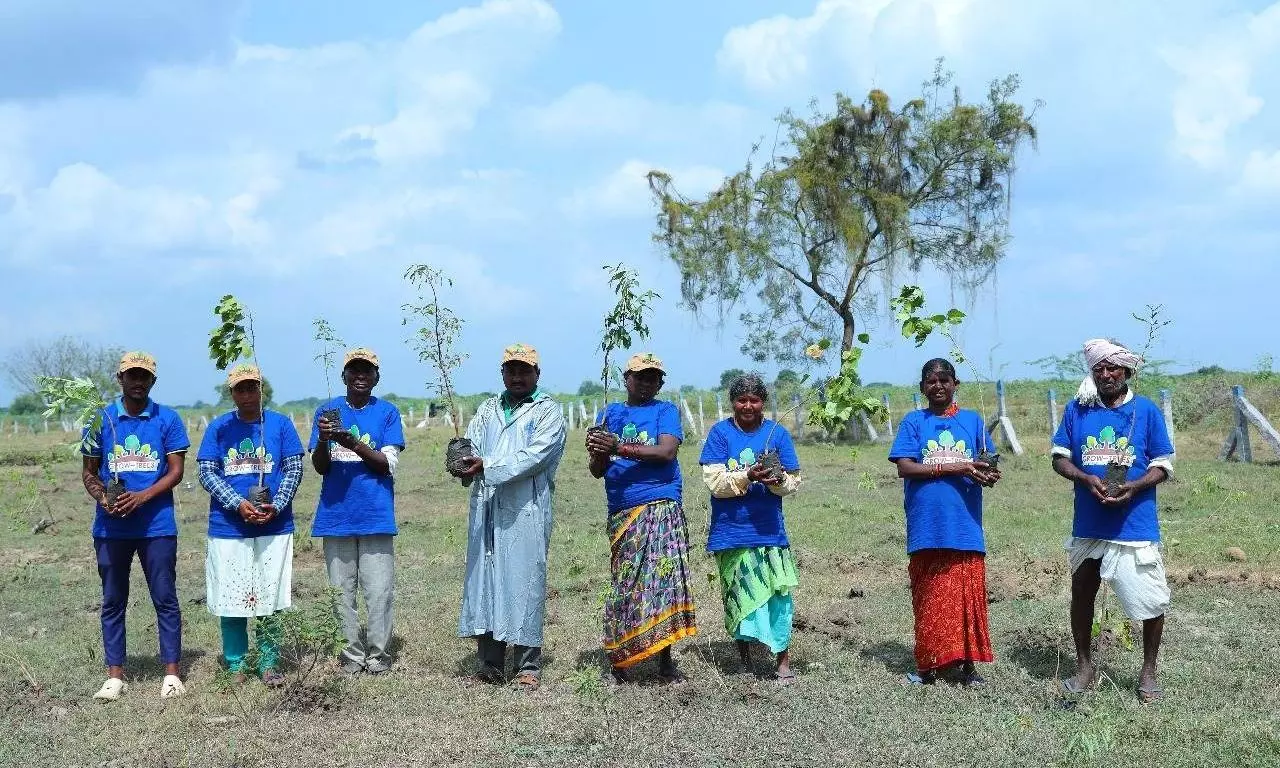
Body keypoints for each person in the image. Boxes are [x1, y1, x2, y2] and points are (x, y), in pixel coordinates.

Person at [1052, 339, 1174, 703]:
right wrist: (1085, 478)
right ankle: (1085, 666)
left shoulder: (1146, 411)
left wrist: (1134, 486)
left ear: (1127, 371)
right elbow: (1059, 458)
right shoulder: (1078, 410)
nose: (1106, 374)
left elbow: (1163, 465)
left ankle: (1148, 671)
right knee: (1082, 594)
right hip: (1089, 522)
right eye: (1099, 369)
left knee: (1151, 600)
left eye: (1112, 367)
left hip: (1133, 524)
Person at [454, 343, 567, 690]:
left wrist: (486, 465)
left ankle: (527, 665)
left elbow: (535, 456)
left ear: (537, 373)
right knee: (486, 579)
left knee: (524, 580)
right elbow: (472, 447)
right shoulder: (488, 409)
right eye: (511, 370)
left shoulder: (548, 411)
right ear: (502, 373)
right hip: (487, 504)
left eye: (524, 370)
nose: (517, 376)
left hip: (525, 509)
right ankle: (489, 662)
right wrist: (462, 460)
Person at [82, 351, 190, 701]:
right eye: (132, 375)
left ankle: (172, 674)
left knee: (165, 597)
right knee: (113, 599)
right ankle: (115, 676)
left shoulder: (167, 419)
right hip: (111, 529)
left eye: (145, 376)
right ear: (121, 379)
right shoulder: (100, 419)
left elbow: (175, 471)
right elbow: (88, 471)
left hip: (157, 526)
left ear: (153, 382)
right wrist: (103, 498)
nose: (138, 381)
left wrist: (142, 497)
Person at [586, 353, 697, 684]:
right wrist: (599, 451)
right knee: (627, 585)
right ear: (626, 378)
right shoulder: (610, 414)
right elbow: (596, 471)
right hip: (623, 509)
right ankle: (619, 662)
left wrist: (618, 446)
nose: (646, 383)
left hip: (661, 504)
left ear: (660, 383)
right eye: (640, 376)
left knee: (664, 583)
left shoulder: (666, 411)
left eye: (653, 378)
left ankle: (665, 660)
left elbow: (666, 452)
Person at [887, 359, 1000, 686]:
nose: (938, 386)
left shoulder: (972, 422)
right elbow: (905, 468)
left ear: (955, 384)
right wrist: (957, 467)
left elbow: (984, 466)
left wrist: (988, 474)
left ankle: (966, 666)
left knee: (966, 596)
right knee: (930, 594)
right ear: (922, 387)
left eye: (944, 380)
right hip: (927, 523)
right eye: (931, 381)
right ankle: (928, 667)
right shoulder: (913, 422)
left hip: (964, 523)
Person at [197, 364, 304, 686]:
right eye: (239, 389)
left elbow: (294, 468)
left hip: (274, 527)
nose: (246, 395)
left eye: (252, 387)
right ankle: (236, 664)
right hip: (229, 529)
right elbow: (206, 471)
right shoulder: (218, 428)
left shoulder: (281, 425)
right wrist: (237, 503)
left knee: (269, 597)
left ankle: (269, 663)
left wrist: (278, 504)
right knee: (232, 598)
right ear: (231, 393)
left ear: (262, 389)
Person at [699, 374, 803, 684]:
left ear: (763, 403)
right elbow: (715, 483)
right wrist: (749, 476)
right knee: (739, 597)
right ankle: (743, 660)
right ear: (732, 402)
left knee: (778, 597)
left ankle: (782, 661)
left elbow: (793, 482)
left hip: (769, 532)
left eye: (754, 400)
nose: (747, 406)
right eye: (741, 400)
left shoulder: (777, 434)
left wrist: (778, 481)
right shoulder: (720, 434)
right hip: (731, 532)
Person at [309, 348, 405, 674]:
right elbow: (321, 467)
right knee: (341, 594)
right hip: (336, 515)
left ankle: (378, 657)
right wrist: (324, 440)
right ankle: (351, 657)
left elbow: (387, 464)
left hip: (375, 515)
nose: (360, 376)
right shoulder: (327, 410)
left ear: (377, 377)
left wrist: (352, 443)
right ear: (344, 376)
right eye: (354, 370)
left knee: (379, 593)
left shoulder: (387, 413)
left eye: (367, 371)